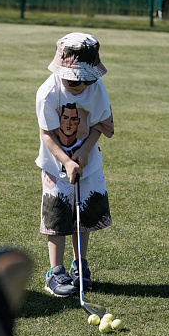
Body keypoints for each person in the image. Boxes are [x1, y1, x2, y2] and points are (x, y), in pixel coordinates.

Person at [36, 32, 114, 297]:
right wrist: (67, 161)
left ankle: (79, 265)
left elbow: (100, 124)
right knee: (57, 216)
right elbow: (47, 134)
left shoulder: (96, 87)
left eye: (81, 80)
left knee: (82, 214)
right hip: (55, 165)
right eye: (71, 78)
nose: (75, 83)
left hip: (87, 162)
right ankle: (54, 273)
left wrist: (84, 151)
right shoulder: (48, 92)